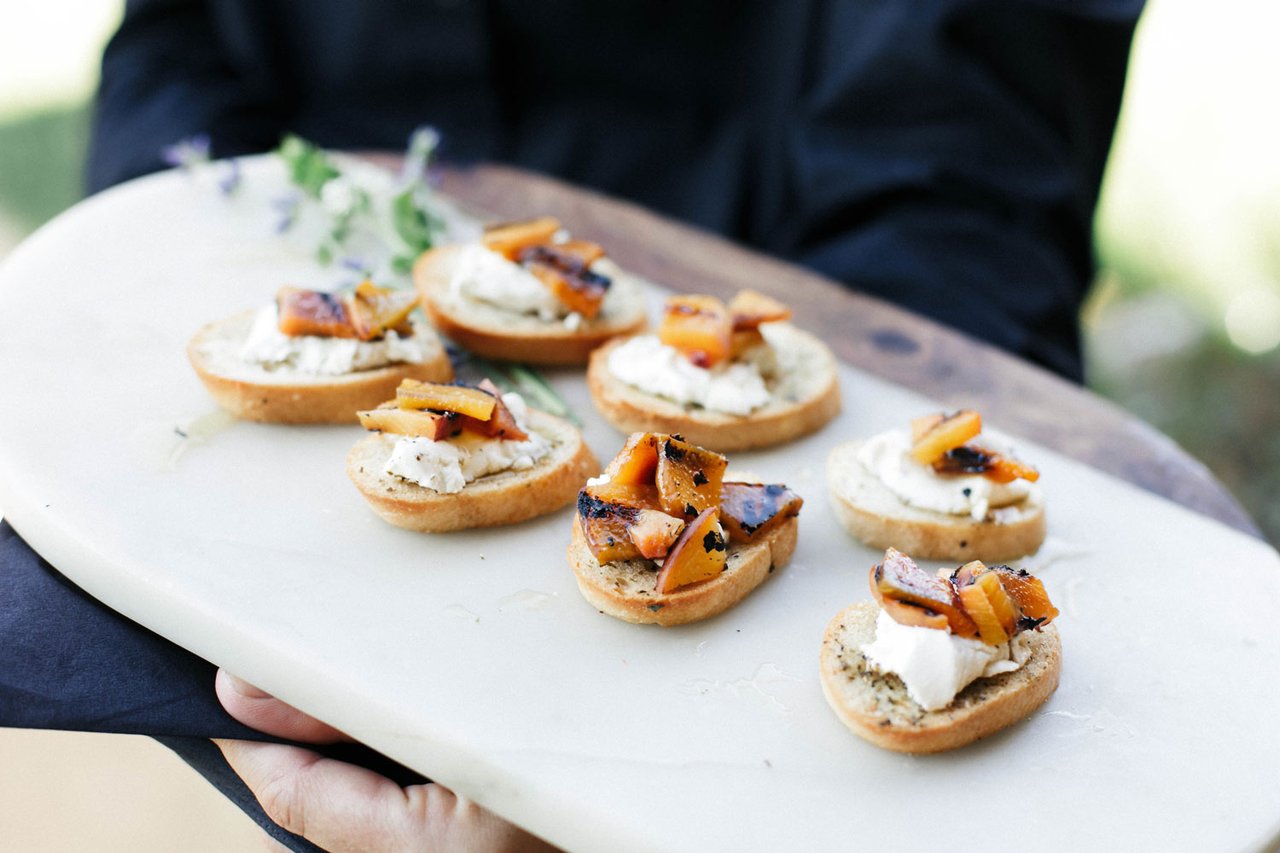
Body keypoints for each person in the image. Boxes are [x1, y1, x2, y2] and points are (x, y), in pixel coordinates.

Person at [4, 1, 1144, 850]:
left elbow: (967, 121)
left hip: (749, 271)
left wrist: (910, 430)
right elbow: (182, 35)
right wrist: (188, 256)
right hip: (224, 576)